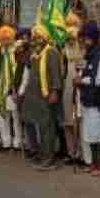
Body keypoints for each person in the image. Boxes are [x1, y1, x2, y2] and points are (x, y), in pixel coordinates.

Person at [21, 25, 63, 170]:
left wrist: (55, 91)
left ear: (45, 38)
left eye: (39, 37)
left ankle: (49, 158)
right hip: (34, 95)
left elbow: (56, 74)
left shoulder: (51, 52)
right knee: (36, 124)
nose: (36, 40)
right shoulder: (34, 53)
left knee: (47, 127)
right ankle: (41, 154)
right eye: (34, 37)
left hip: (47, 95)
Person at [79, 22, 100, 175]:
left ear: (93, 38)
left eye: (87, 39)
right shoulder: (88, 55)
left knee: (99, 135)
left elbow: (99, 80)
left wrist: (81, 81)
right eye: (83, 39)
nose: (84, 42)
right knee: (89, 134)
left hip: (96, 102)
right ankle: (93, 164)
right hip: (86, 100)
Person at [61, 14, 86, 166]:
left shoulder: (82, 50)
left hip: (78, 82)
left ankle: (81, 154)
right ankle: (71, 152)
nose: (70, 39)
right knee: (68, 120)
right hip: (66, 84)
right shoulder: (63, 50)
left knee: (78, 120)